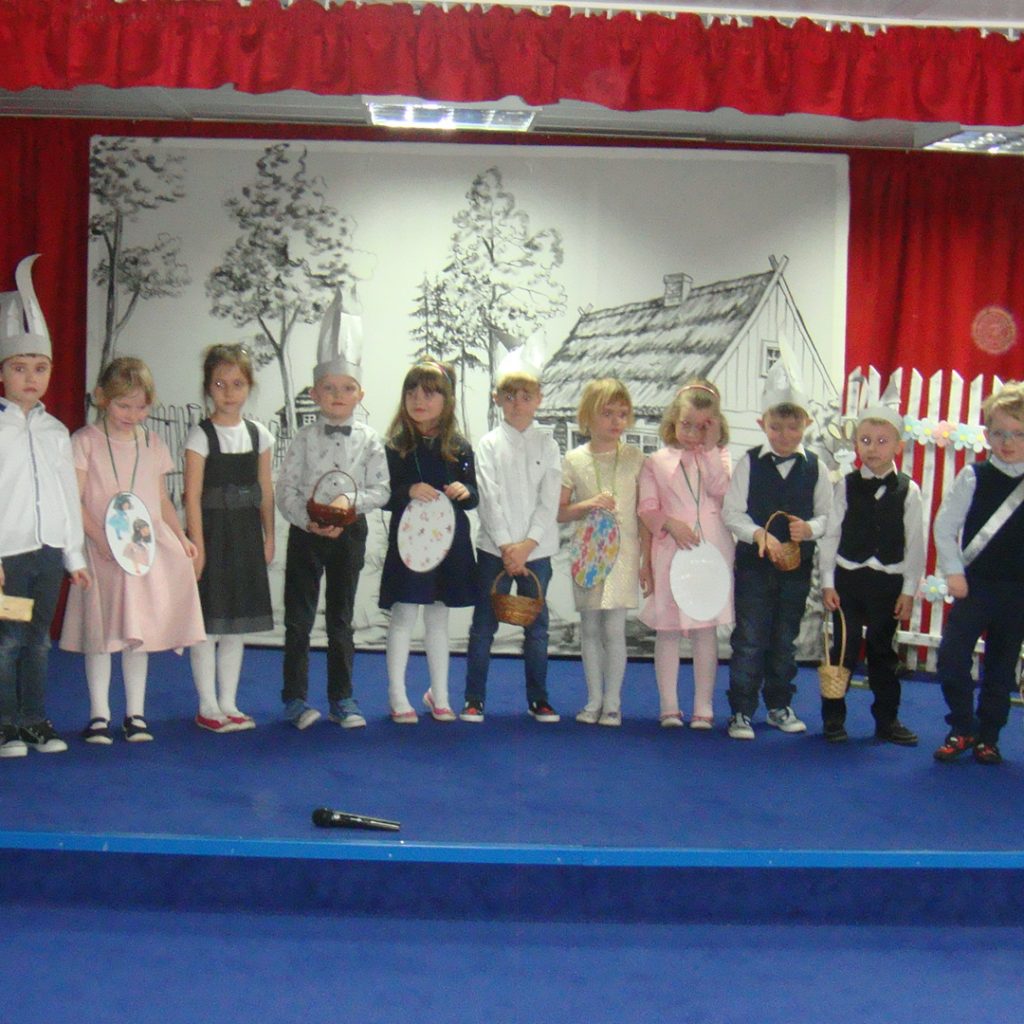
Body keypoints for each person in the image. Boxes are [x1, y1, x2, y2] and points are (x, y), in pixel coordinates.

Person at [60, 356, 206, 744]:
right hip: (101, 551)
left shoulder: (152, 443)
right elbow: (74, 499)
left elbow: (160, 499)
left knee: (135, 632)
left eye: (141, 407)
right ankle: (98, 715)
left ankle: (135, 714)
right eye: (123, 405)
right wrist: (99, 539)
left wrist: (181, 536)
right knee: (100, 633)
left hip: (141, 551)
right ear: (102, 398)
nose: (132, 414)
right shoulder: (84, 442)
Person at [275, 295, 389, 730]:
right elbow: (286, 488)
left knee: (341, 618)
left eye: (347, 388)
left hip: (349, 534)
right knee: (299, 619)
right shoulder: (304, 438)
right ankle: (295, 698)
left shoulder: (370, 440)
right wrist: (307, 520)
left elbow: (381, 488)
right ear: (314, 393)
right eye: (329, 388)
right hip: (306, 534)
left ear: (360, 393)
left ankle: (342, 697)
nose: (338, 396)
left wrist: (347, 508)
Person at [0, 254, 89, 758]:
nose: (31, 378)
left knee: (37, 639)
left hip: (48, 556)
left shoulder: (56, 431)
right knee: (8, 639)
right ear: (3, 373)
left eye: (40, 368)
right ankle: (5, 723)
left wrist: (73, 556)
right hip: (10, 558)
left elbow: (66, 497)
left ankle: (33, 719)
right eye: (19, 368)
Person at [722, 359, 832, 740]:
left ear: (806, 425)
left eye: (793, 427)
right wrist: (757, 534)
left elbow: (828, 516)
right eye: (776, 427)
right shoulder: (749, 463)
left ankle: (779, 704)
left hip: (795, 571)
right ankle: (741, 709)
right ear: (762, 424)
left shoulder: (816, 467)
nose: (784, 435)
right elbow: (731, 512)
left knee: (785, 639)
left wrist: (810, 528)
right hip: (754, 569)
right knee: (750, 639)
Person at [460, 340, 562, 723]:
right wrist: (507, 546)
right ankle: (474, 699)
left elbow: (549, 499)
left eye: (526, 396)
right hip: (494, 551)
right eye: (510, 396)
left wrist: (527, 545)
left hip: (538, 551)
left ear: (538, 400)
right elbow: (489, 498)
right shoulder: (488, 445)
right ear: (498, 399)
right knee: (483, 626)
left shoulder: (549, 445)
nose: (518, 403)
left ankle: (539, 699)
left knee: (536, 628)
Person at [818, 403, 925, 744]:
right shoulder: (845, 486)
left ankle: (887, 720)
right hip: (848, 580)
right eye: (865, 440)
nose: (873, 448)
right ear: (856, 445)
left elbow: (915, 543)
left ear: (898, 447)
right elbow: (832, 534)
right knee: (844, 651)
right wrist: (828, 582)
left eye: (882, 441)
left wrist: (908, 590)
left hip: (888, 583)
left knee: (882, 652)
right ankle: (833, 717)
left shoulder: (908, 490)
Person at [379, 361, 477, 723]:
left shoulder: (459, 447)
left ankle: (441, 694)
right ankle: (397, 694)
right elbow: (383, 494)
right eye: (412, 392)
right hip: (409, 546)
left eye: (429, 393)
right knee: (404, 613)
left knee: (438, 617)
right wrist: (407, 490)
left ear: (447, 400)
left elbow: (474, 494)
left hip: (447, 545)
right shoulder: (396, 447)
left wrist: (464, 491)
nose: (418, 400)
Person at [932, 381, 1024, 766]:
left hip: (1017, 591)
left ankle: (989, 736)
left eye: (1018, 433)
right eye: (999, 433)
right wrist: (954, 571)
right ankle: (962, 726)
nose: (1008, 442)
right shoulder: (973, 477)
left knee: (1001, 669)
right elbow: (943, 526)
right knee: (951, 657)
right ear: (987, 434)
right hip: (974, 587)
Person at [184, 343, 274, 733]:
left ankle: (229, 702)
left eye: (238, 384)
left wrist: (269, 536)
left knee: (236, 625)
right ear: (208, 387)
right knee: (208, 626)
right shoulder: (200, 436)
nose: (229, 392)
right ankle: (207, 704)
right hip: (213, 537)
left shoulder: (259, 434)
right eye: (220, 384)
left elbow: (265, 490)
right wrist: (198, 548)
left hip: (246, 537)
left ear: (249, 387)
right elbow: (192, 496)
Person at [638, 381, 733, 728]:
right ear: (673, 422)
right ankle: (669, 706)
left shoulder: (720, 457)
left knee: (705, 630)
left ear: (716, 425)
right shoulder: (656, 462)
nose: (693, 433)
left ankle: (703, 707)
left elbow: (721, 492)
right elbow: (647, 508)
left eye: (703, 426)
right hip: (671, 550)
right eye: (686, 425)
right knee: (668, 629)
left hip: (711, 553)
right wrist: (669, 524)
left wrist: (711, 449)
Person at [559, 378, 645, 727]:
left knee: (615, 629)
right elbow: (560, 512)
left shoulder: (635, 458)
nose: (616, 421)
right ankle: (593, 699)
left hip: (623, 553)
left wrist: (647, 561)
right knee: (590, 628)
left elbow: (645, 511)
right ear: (588, 416)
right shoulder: (573, 459)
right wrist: (588, 504)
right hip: (589, 554)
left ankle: (613, 702)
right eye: (607, 413)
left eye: (622, 414)